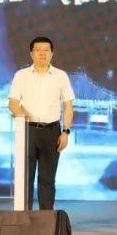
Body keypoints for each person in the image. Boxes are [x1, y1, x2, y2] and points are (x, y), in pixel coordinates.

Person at [8, 36, 75, 210]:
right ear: (31, 54)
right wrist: (21, 115)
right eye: (38, 50)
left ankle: (46, 218)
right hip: (28, 131)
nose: (42, 53)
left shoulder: (61, 76)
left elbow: (68, 106)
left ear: (52, 53)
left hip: (52, 131)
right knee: (25, 178)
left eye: (46, 50)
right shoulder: (21, 75)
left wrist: (66, 132)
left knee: (47, 179)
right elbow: (13, 102)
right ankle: (24, 217)